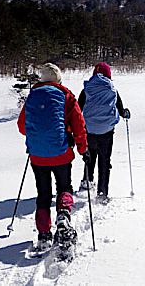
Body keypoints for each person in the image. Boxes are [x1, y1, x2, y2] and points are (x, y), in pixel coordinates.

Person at [17, 63, 89, 249]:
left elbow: (22, 127)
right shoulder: (66, 96)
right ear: (58, 79)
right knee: (64, 187)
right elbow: (79, 126)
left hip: (37, 155)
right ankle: (63, 217)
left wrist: (37, 137)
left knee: (43, 193)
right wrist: (83, 149)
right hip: (61, 153)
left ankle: (43, 235)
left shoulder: (32, 96)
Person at [78, 62, 129, 202]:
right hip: (106, 131)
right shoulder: (112, 89)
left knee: (90, 156)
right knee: (105, 160)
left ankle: (87, 181)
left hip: (89, 130)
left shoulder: (87, 89)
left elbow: (78, 108)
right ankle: (102, 192)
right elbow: (120, 109)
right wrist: (125, 113)